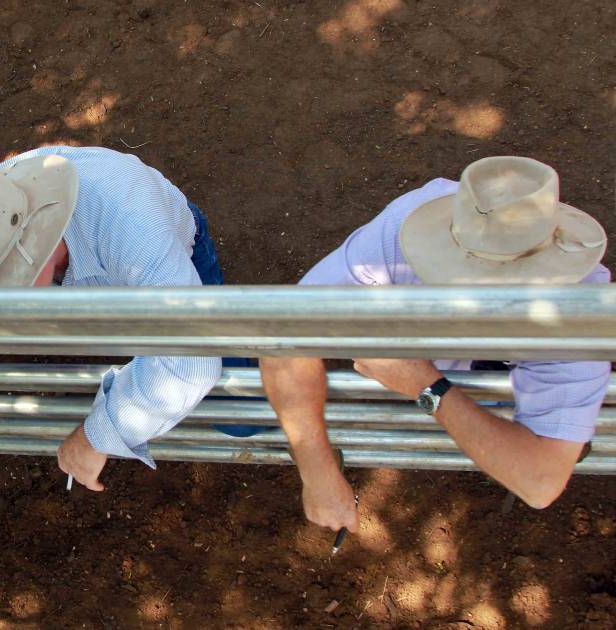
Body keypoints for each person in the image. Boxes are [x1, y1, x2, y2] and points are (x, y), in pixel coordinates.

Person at [0, 146, 232, 545]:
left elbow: (191, 361)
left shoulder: (128, 219)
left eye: (3, 290)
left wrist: (97, 437)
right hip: (96, 282)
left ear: (38, 242)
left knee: (235, 409)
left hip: (167, 256)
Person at [260, 156, 610, 534]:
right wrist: (318, 475)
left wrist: (426, 385)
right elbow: (285, 332)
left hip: (471, 386)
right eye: (463, 271)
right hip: (465, 378)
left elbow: (540, 483)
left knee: (543, 448)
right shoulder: (408, 226)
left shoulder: (581, 308)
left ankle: (545, 432)